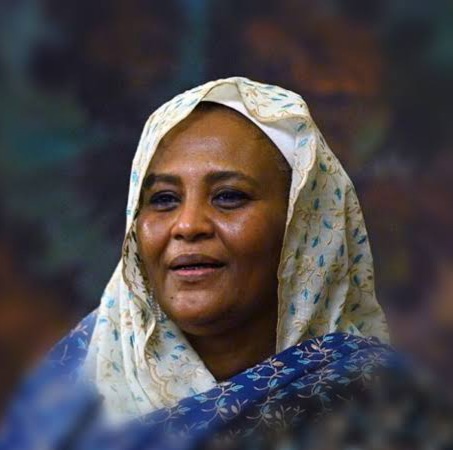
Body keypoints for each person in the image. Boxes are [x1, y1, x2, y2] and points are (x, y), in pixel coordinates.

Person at [1, 77, 391, 450]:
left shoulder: (376, 406)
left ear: (305, 225)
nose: (187, 225)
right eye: (164, 199)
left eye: (229, 196)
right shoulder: (66, 396)